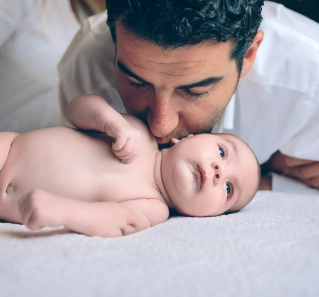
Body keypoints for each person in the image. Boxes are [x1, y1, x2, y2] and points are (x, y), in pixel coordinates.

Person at [58, 1, 319, 193]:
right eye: (136, 83)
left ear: (248, 55)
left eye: (195, 90)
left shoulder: (310, 80)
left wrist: (268, 178)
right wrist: (269, 168)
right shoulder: (87, 66)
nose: (161, 126)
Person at [0, 95, 260, 237]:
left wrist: (61, 211)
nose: (219, 171)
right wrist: (109, 121)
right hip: (8, 147)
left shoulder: (153, 207)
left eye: (228, 189)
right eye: (222, 152)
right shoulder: (138, 131)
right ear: (188, 137)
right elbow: (76, 108)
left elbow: (113, 222)